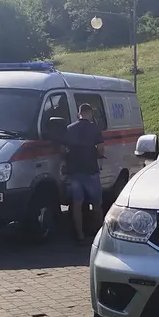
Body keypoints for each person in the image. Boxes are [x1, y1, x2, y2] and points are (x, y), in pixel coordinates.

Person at [64, 103, 105, 245]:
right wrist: (98, 155)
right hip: (90, 170)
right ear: (90, 113)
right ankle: (99, 233)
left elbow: (64, 149)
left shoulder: (69, 129)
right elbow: (101, 148)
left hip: (74, 171)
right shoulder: (94, 128)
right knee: (96, 203)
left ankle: (79, 233)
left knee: (77, 203)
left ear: (79, 113)